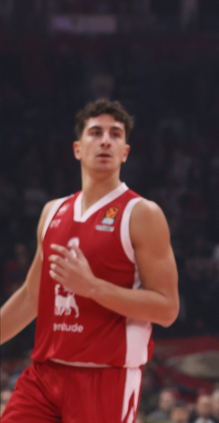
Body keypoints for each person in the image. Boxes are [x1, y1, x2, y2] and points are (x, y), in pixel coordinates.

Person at [0, 99, 179, 423]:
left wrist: (93, 287)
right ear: (77, 149)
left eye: (116, 134)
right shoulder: (52, 212)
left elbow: (167, 308)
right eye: (95, 132)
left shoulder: (142, 214)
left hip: (105, 378)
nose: (106, 140)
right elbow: (31, 297)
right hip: (44, 375)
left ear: (125, 151)